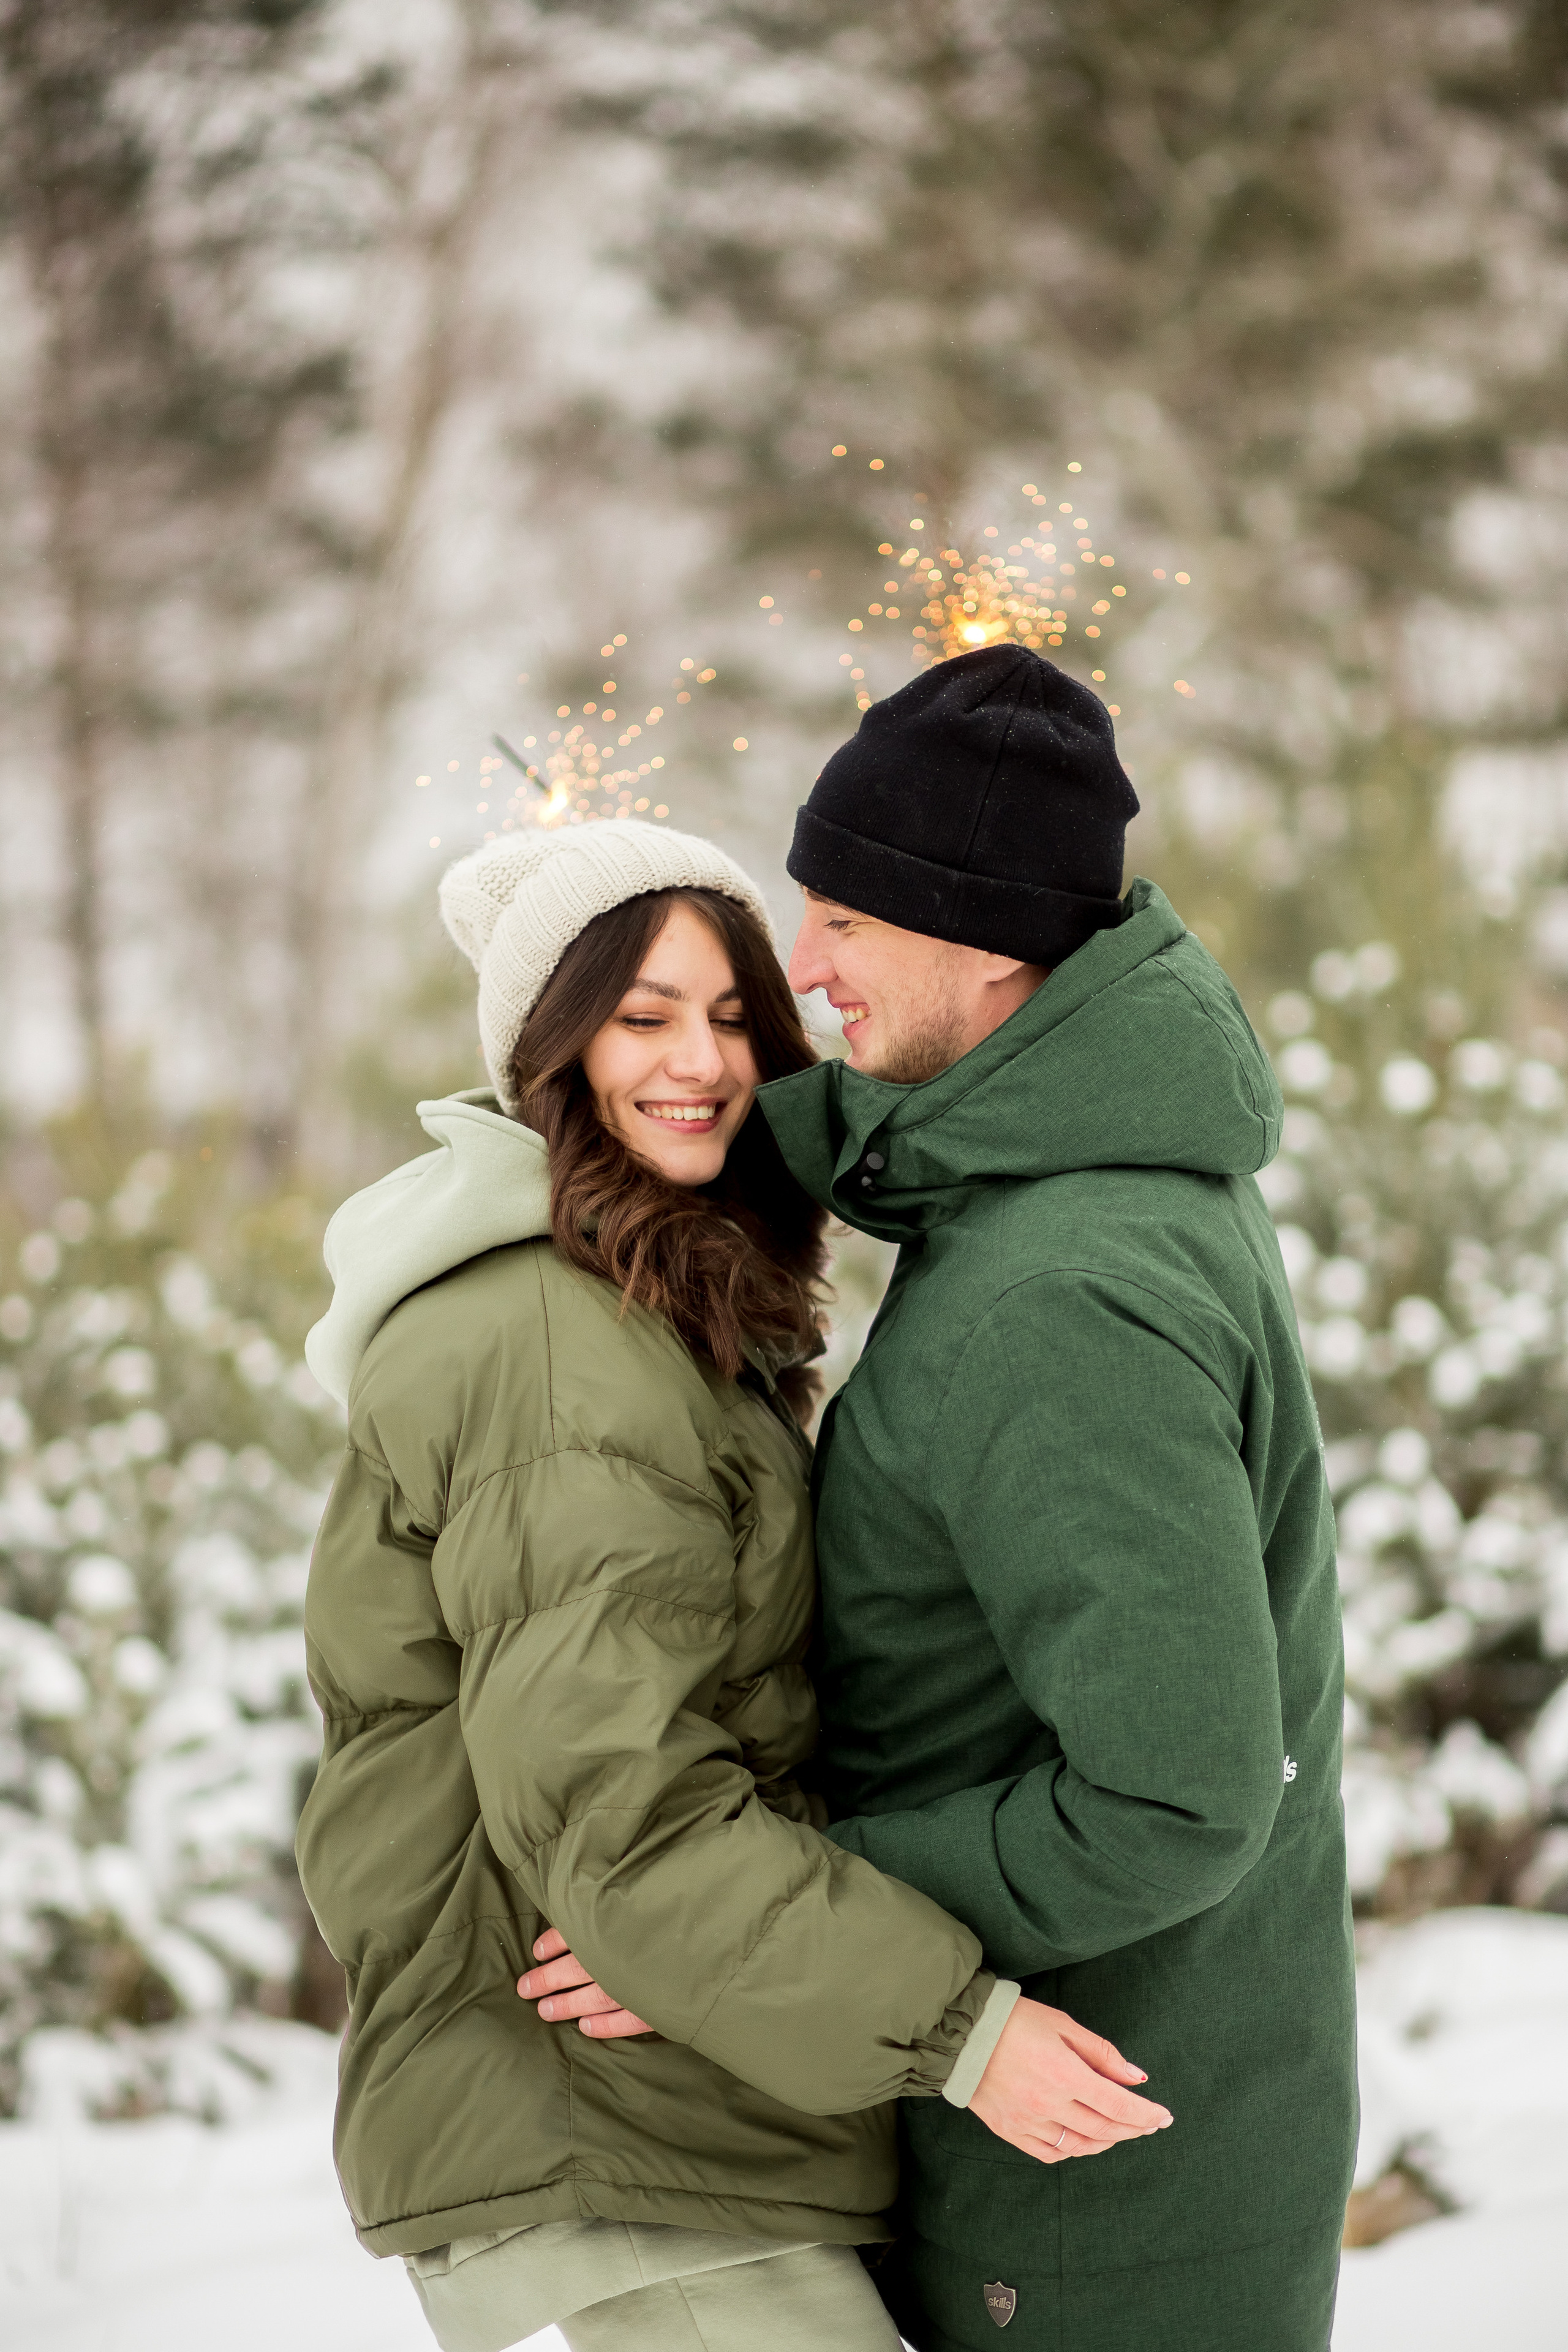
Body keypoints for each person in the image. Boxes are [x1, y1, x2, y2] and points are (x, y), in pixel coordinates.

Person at [527, 651, 1359, 2352]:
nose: (802, 966)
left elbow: (1180, 1801)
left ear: (992, 947)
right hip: (1107, 2136)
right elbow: (906, 1136)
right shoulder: (1078, 1166)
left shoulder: (1060, 1299)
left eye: (845, 920)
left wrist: (757, 1919)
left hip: (1095, 2193)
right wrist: (654, 1119)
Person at [296, 818, 1171, 2352]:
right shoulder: (561, 1354)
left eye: (726, 1016)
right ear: (547, 1053)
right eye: (639, 1017)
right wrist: (964, 2037)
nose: (695, 1060)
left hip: (683, 2104)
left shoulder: (661, 1320)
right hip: (618, 2130)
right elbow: (617, 1818)